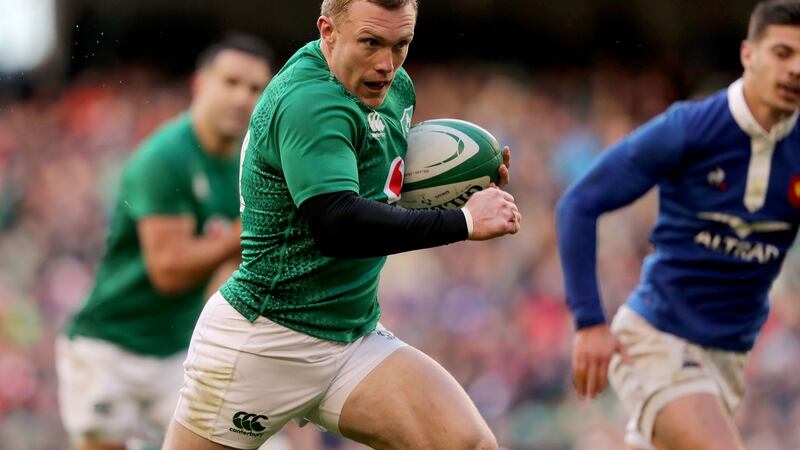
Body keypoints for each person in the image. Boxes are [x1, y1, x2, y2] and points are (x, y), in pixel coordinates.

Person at [163, 1, 522, 449]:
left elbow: (382, 178)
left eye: (401, 44)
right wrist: (464, 221)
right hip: (265, 339)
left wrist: (467, 182)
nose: (386, 64)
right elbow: (337, 225)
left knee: (468, 444)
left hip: (352, 338)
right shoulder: (309, 102)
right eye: (371, 43)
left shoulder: (395, 88)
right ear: (327, 30)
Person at [556, 1, 800, 449]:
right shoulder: (690, 129)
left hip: (729, 361)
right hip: (656, 341)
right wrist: (589, 321)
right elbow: (580, 202)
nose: (795, 69)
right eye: (783, 53)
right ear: (749, 55)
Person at [56, 35, 273, 450]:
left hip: (177, 348)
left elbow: (229, 272)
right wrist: (248, 230)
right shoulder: (165, 157)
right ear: (200, 84)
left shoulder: (251, 162)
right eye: (230, 82)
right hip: (110, 346)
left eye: (255, 88)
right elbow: (168, 272)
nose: (242, 97)